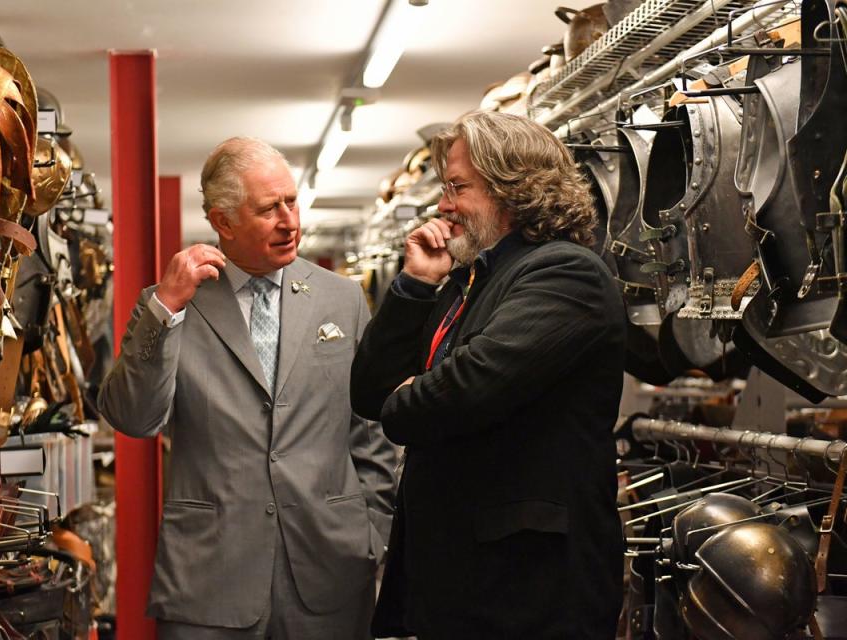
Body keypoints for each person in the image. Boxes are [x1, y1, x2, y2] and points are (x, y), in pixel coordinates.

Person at [98, 137, 397, 639]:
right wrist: (164, 311)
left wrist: (373, 532)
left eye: (291, 201)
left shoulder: (341, 299)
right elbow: (133, 417)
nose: (289, 221)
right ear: (223, 222)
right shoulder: (172, 303)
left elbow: (372, 428)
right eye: (268, 209)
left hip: (332, 568)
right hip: (209, 578)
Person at [350, 111, 626, 639]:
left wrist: (415, 395)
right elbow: (368, 393)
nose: (443, 205)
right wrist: (412, 285)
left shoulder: (565, 273)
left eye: (458, 187)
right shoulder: (470, 278)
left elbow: (462, 392)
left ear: (513, 188)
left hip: (528, 592)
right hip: (462, 581)